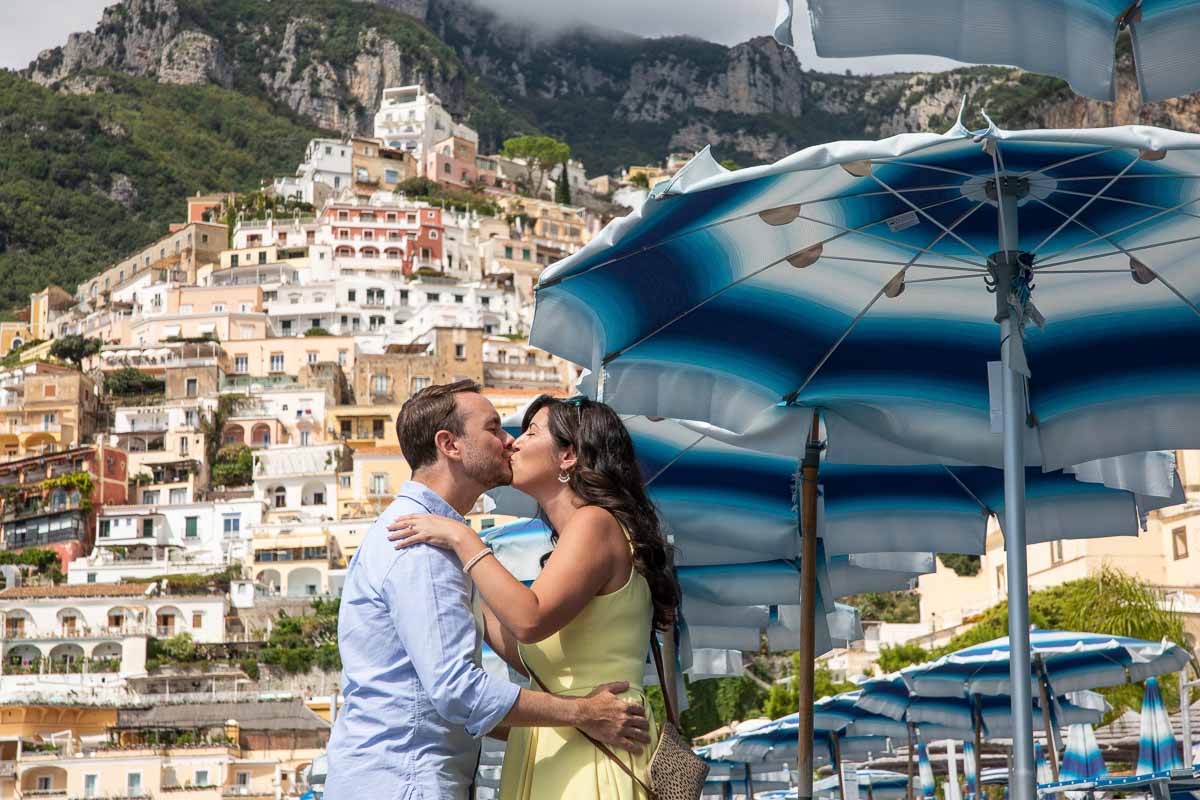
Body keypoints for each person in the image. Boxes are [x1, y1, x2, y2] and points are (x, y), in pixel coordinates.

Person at [325, 381, 651, 800]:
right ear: (450, 445)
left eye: (527, 432)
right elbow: (460, 690)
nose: (509, 441)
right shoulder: (421, 541)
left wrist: (467, 544)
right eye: (494, 429)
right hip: (406, 778)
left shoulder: (442, 536)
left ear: (568, 455)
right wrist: (580, 713)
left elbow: (510, 640)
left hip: (572, 753)